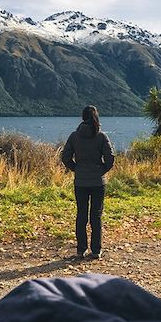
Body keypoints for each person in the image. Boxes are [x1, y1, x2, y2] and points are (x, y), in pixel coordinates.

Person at [61, 105, 115, 259]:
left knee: (81, 214)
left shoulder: (74, 136)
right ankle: (96, 250)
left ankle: (81, 249)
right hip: (98, 182)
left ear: (82, 117)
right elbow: (110, 159)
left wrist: (76, 169)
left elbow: (65, 157)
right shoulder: (101, 136)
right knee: (96, 216)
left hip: (81, 181)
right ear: (96, 117)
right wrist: (101, 171)